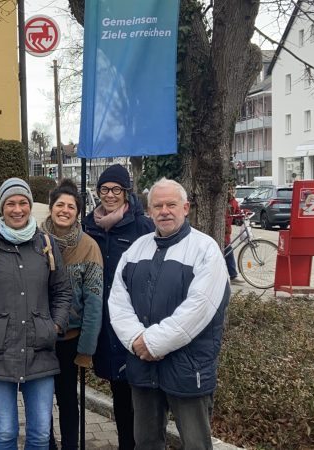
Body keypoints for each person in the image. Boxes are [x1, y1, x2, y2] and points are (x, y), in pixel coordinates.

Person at [108, 178, 230, 450]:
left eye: (171, 204)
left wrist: (152, 343)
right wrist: (137, 340)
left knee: (196, 444)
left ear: (185, 208)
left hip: (188, 369)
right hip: (143, 367)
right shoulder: (136, 249)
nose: (164, 211)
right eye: (158, 205)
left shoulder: (205, 249)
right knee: (146, 443)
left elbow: (200, 308)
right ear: (149, 212)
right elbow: (118, 300)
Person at [0, 178, 72, 450]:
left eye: (23, 202)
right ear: (2, 207)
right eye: (10, 203)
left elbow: (62, 292)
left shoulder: (47, 244)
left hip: (39, 350)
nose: (17, 209)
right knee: (6, 433)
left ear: (30, 206)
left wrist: (56, 326)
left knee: (39, 433)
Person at [81, 164, 154, 450]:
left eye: (116, 190)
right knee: (120, 394)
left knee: (140, 395)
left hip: (135, 322)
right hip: (105, 325)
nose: (109, 195)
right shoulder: (89, 225)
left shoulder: (142, 226)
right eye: (104, 189)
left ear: (126, 192)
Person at [40, 179, 103, 450]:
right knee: (40, 400)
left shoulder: (89, 247)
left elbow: (94, 301)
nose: (64, 210)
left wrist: (86, 349)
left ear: (78, 212)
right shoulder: (34, 240)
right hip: (39, 339)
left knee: (67, 400)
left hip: (70, 340)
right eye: (59, 204)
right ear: (51, 207)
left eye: (71, 206)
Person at [224, 185, 242, 284]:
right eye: (229, 189)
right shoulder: (222, 201)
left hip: (227, 232)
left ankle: (233, 275)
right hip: (223, 232)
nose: (230, 191)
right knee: (227, 253)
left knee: (228, 253)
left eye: (232, 189)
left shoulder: (233, 202)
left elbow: (238, 213)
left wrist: (244, 214)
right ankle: (233, 275)